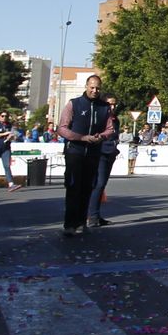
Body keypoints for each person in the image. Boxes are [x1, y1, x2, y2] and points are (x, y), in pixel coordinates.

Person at [56, 74, 115, 237]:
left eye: (98, 88)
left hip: (94, 152)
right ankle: (69, 224)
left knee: (88, 187)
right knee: (74, 187)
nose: (95, 90)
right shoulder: (74, 104)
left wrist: (101, 137)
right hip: (75, 151)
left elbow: (110, 129)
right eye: (92, 87)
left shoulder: (104, 107)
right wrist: (81, 137)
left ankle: (82, 222)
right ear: (86, 86)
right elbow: (62, 128)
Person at [89, 96, 121, 225]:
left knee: (103, 184)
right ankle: (92, 216)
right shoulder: (100, 117)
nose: (112, 107)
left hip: (111, 152)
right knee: (99, 183)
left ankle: (96, 214)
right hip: (100, 152)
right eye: (109, 104)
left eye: (114, 104)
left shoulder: (115, 119)